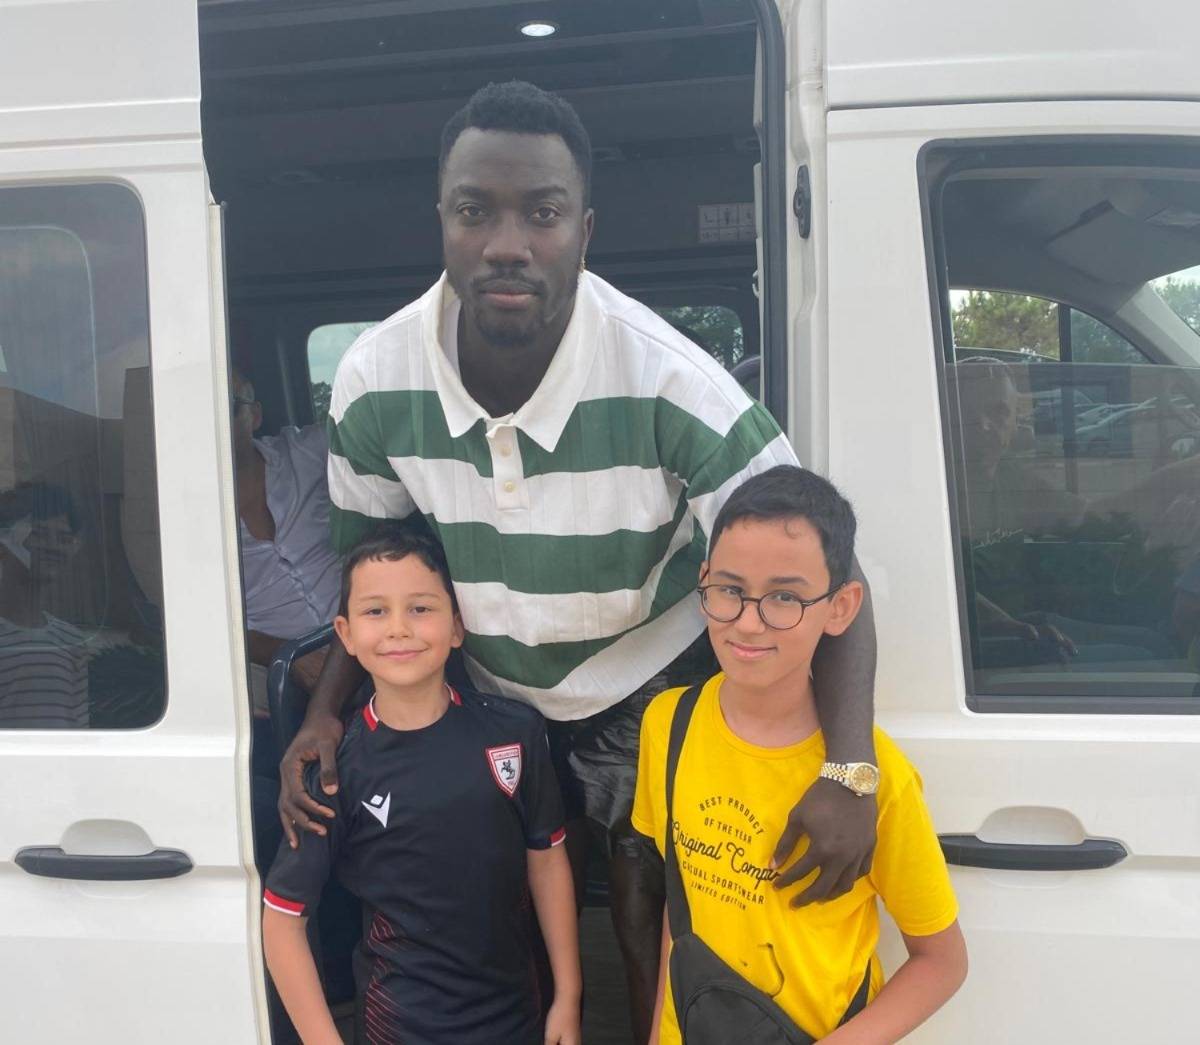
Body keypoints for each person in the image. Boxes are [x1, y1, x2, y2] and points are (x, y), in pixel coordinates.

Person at [281, 80, 880, 1041]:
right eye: (475, 211)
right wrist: (324, 713)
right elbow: (376, 570)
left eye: (543, 213)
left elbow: (829, 580)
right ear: (442, 222)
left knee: (657, 921)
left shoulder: (673, 383)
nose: (506, 242)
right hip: (485, 683)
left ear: (585, 231)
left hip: (649, 679)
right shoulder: (374, 378)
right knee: (484, 905)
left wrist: (850, 771)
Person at [633, 466, 967, 1044]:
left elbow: (942, 961)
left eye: (785, 597)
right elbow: (679, 904)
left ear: (841, 607)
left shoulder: (875, 781)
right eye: (730, 590)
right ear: (704, 582)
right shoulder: (668, 724)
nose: (749, 622)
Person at [262, 525, 580, 1045]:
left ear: (457, 626)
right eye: (375, 611)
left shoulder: (514, 732)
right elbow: (282, 919)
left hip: (515, 1020)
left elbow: (546, 860)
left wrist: (568, 994)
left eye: (420, 608)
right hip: (399, 1027)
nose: (398, 629)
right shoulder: (337, 770)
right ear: (345, 634)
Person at [232, 368, 341, 712]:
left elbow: (374, 431)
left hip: (366, 632)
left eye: (228, 406)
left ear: (254, 415)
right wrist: (287, 656)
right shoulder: (184, 516)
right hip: (276, 669)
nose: (212, 421)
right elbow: (202, 623)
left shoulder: (304, 453)